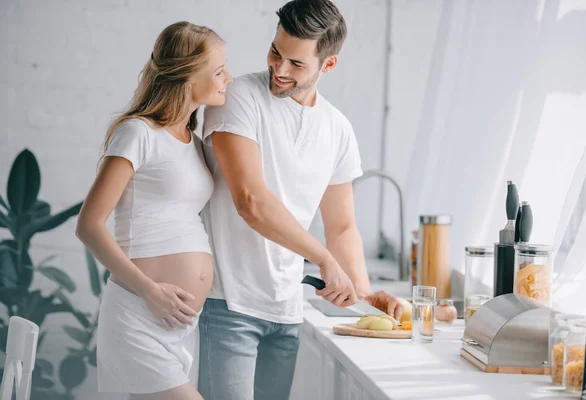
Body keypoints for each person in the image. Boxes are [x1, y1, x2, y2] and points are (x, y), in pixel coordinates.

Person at [199, 1, 403, 399]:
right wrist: (325, 261)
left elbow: (341, 226)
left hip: (286, 312)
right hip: (228, 303)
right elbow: (250, 201)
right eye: (276, 51)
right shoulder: (239, 98)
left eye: (296, 63)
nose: (279, 68)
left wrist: (362, 293)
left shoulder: (337, 129)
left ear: (328, 66)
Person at [76, 21, 232, 400]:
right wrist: (149, 291)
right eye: (218, 70)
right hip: (138, 312)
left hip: (179, 324)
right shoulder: (138, 133)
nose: (229, 77)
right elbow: (89, 225)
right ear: (187, 76)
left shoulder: (193, 141)